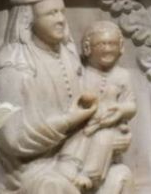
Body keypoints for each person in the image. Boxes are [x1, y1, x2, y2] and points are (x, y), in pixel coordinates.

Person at [0, 0, 133, 193]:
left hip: (77, 153)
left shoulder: (67, 54)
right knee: (55, 187)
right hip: (30, 169)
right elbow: (14, 139)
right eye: (51, 13)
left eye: (61, 12)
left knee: (121, 176)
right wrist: (68, 120)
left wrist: (111, 135)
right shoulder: (14, 64)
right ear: (28, 19)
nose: (61, 20)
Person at [58, 21, 137, 191]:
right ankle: (70, 166)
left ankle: (89, 175)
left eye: (112, 44)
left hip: (113, 127)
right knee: (79, 139)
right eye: (101, 44)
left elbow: (131, 105)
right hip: (86, 124)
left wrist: (121, 110)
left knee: (104, 139)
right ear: (88, 48)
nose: (107, 49)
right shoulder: (82, 74)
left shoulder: (123, 76)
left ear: (121, 47)